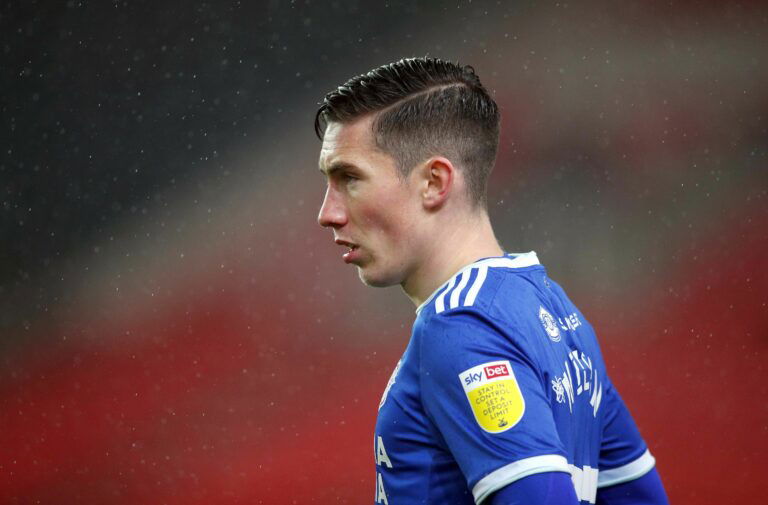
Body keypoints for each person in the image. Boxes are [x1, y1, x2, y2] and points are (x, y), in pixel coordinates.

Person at [313, 57, 669, 505]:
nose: (328, 213)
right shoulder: (557, 312)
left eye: (349, 178)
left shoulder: (459, 328)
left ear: (434, 182)